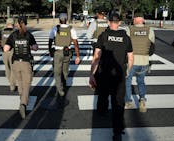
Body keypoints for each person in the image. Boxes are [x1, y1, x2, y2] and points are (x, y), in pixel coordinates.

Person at [89, 13, 133, 141]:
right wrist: (127, 71)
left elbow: (96, 57)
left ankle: (102, 113)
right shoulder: (126, 38)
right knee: (118, 103)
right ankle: (117, 132)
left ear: (108, 22)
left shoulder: (103, 36)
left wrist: (92, 74)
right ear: (119, 23)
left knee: (102, 94)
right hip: (119, 74)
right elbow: (131, 58)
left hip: (104, 73)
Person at [4, 16, 38, 119]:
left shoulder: (13, 35)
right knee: (27, 84)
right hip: (26, 62)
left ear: (17, 24)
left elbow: (6, 49)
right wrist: (31, 47)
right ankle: (23, 104)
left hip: (15, 63)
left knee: (20, 83)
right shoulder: (29, 35)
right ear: (26, 24)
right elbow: (35, 48)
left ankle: (21, 97)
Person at [124, 14, 155, 113]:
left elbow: (125, 44)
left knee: (128, 81)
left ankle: (128, 102)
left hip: (131, 61)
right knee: (141, 82)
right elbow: (152, 46)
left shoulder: (129, 29)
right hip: (144, 61)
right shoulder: (150, 30)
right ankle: (142, 100)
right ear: (143, 20)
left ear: (134, 20)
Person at [48, 13, 80, 107]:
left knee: (57, 72)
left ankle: (60, 90)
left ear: (59, 20)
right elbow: (75, 43)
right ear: (66, 20)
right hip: (67, 52)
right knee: (65, 71)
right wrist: (78, 56)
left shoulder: (55, 29)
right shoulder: (71, 29)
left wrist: (50, 51)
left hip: (57, 53)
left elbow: (50, 41)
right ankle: (63, 85)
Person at [0, 18, 16, 92]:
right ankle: (12, 85)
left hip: (4, 52)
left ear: (6, 23)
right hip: (13, 51)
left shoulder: (1, 32)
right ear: (13, 24)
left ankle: (10, 82)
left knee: (7, 68)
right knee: (13, 68)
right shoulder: (15, 32)